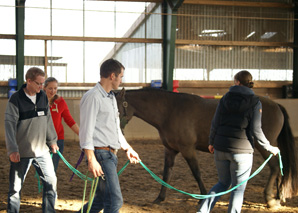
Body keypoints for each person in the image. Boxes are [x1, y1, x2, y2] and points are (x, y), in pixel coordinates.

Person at [197, 70, 280, 213]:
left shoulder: (225, 98)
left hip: (220, 149)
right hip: (242, 153)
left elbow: (215, 122)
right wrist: (269, 147)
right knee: (238, 189)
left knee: (222, 183)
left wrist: (211, 142)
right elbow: (256, 130)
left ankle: (202, 211)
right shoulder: (255, 102)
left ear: (237, 82)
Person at [78, 58, 140, 213]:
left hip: (111, 155)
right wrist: (91, 159)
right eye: (121, 77)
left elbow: (115, 128)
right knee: (114, 201)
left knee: (100, 200)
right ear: (112, 76)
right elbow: (86, 130)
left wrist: (127, 148)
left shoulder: (111, 97)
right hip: (101, 155)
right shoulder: (93, 97)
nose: (121, 80)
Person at [5, 67, 58, 212]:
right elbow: (9, 126)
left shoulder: (42, 97)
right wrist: (13, 150)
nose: (42, 87)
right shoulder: (15, 99)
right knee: (15, 190)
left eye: (42, 84)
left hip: (42, 151)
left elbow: (47, 120)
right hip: (21, 153)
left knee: (51, 182)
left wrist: (52, 140)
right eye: (39, 84)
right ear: (28, 81)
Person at [44, 77, 80, 172]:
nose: (53, 91)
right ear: (44, 88)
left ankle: (50, 186)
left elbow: (69, 120)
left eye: (55, 88)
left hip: (57, 140)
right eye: (50, 88)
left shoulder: (60, 102)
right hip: (41, 140)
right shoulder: (38, 101)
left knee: (52, 169)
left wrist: (82, 134)